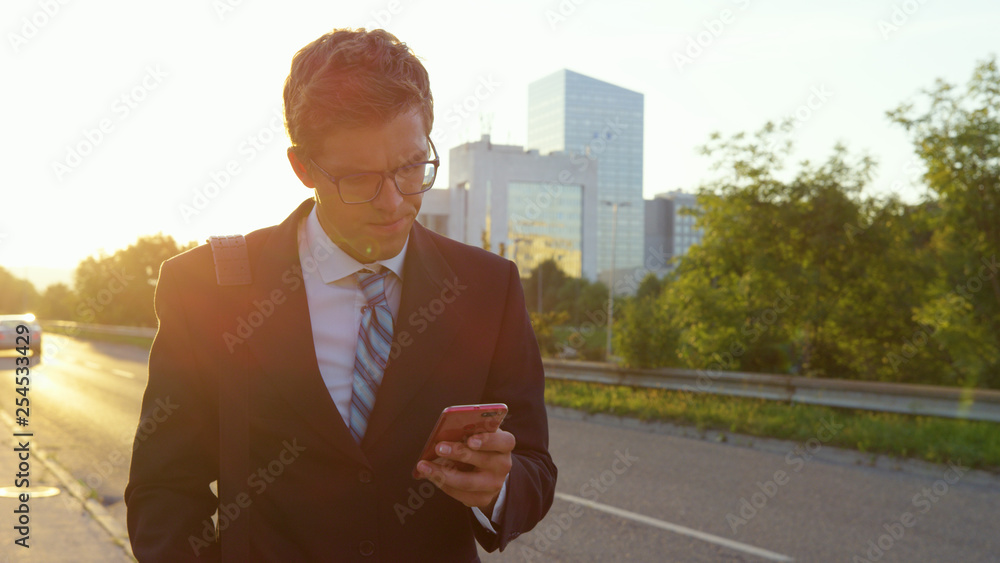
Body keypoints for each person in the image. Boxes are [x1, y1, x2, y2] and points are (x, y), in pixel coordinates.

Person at [125, 28, 556, 562]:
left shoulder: (489, 287)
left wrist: (498, 488)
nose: (395, 201)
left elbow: (534, 465)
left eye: (411, 166)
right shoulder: (207, 287)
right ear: (302, 168)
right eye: (359, 179)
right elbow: (163, 489)